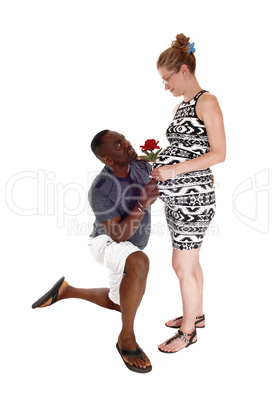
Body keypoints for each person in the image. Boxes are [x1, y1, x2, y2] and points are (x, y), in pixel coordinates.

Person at [32, 130, 158, 373]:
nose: (127, 144)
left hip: (132, 245)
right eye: (119, 145)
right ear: (107, 160)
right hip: (106, 242)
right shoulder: (100, 189)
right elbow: (118, 235)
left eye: (125, 139)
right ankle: (126, 339)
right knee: (139, 262)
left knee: (122, 305)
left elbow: (165, 178)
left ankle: (67, 291)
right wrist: (142, 203)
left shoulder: (140, 166)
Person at [151, 34, 226, 353]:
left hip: (194, 199)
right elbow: (182, 149)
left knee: (181, 265)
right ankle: (197, 314)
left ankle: (188, 332)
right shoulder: (178, 108)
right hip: (176, 199)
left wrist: (172, 170)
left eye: (167, 79)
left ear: (184, 69)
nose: (165, 86)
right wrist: (155, 164)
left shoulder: (206, 101)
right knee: (190, 262)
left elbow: (219, 153)